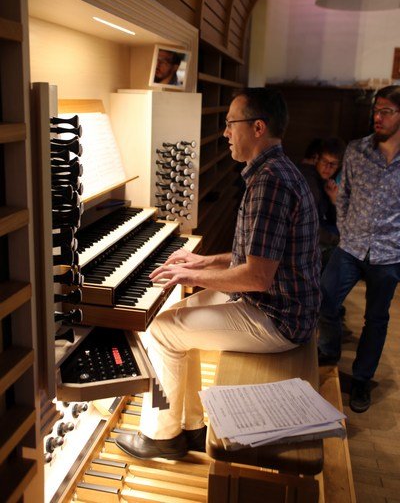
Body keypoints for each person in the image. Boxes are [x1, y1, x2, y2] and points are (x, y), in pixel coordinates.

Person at [115, 87, 321, 460]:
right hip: (277, 303)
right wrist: (202, 262)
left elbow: (256, 277)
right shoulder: (273, 171)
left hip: (279, 318)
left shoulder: (271, 182)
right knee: (171, 319)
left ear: (257, 128)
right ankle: (191, 426)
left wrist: (188, 278)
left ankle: (161, 436)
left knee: (161, 331)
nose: (225, 133)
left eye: (230, 123)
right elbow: (255, 255)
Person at [318, 84, 400, 413]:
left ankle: (362, 379)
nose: (377, 117)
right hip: (351, 245)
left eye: (386, 111)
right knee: (325, 298)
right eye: (375, 111)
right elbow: (345, 194)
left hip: (389, 253)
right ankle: (329, 353)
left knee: (376, 319)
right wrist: (344, 229)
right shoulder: (356, 150)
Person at [299, 138, 346, 270]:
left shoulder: (323, 181)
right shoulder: (310, 182)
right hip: (302, 244)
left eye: (333, 164)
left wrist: (333, 200)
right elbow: (309, 227)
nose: (328, 168)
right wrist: (338, 241)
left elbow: (332, 220)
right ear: (317, 159)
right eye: (325, 161)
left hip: (315, 238)